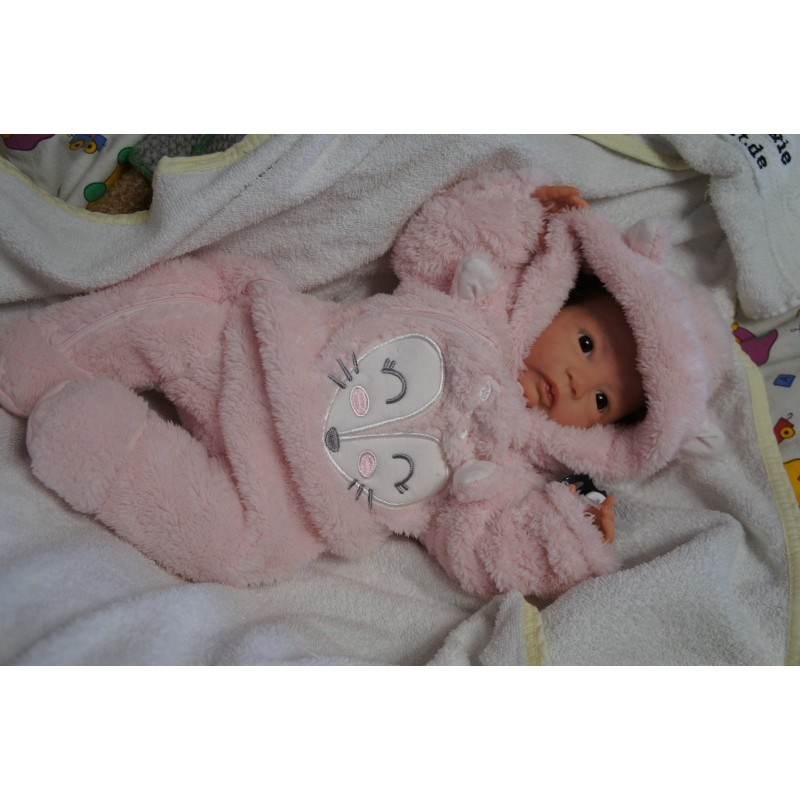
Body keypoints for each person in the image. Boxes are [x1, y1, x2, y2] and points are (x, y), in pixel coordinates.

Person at [0, 168, 730, 600]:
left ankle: (99, 442)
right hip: (272, 356)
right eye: (585, 343)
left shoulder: (513, 471)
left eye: (600, 400)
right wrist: (523, 217)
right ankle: (38, 357)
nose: (573, 379)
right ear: (562, 295)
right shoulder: (473, 301)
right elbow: (432, 241)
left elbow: (478, 547)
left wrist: (558, 536)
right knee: (182, 315)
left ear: (611, 435)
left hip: (297, 506)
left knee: (230, 550)